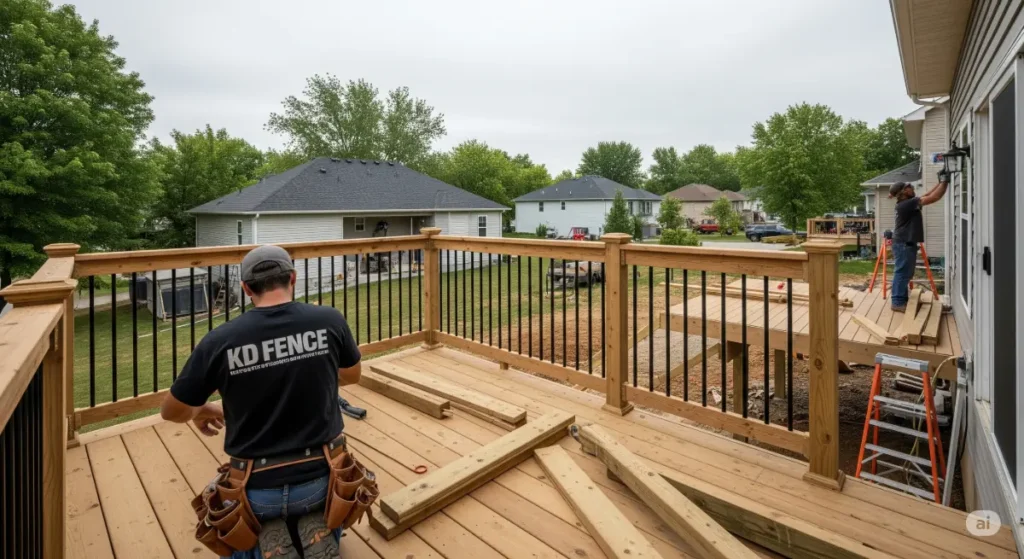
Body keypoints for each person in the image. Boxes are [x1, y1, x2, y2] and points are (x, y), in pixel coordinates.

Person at [161, 245, 362, 559]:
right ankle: (317, 525)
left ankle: (270, 533)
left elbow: (172, 411)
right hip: (324, 479)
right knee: (325, 514)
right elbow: (351, 376)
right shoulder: (328, 320)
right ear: (292, 279)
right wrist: (311, 367)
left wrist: (201, 409)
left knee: (239, 541)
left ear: (245, 288)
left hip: (255, 489)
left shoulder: (221, 340)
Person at [889, 170, 949, 311]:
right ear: (904, 192)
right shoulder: (907, 204)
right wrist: (946, 181)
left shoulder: (907, 202)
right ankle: (897, 303)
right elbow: (934, 197)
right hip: (904, 244)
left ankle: (901, 300)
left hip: (904, 243)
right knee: (902, 273)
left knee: (905, 273)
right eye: (910, 186)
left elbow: (927, 194)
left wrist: (941, 182)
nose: (913, 188)